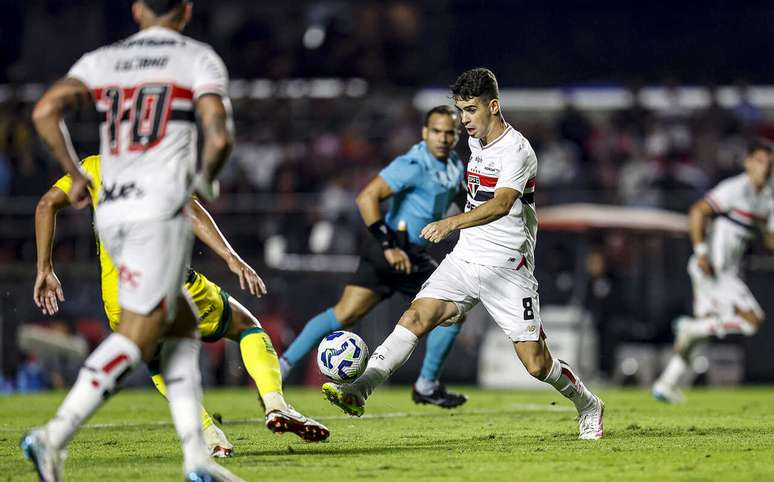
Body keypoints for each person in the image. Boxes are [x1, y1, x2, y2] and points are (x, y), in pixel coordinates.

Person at [322, 68, 605, 440]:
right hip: (465, 258)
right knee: (416, 316)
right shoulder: (475, 143)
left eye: (471, 110)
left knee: (535, 364)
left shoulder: (517, 151)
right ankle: (360, 389)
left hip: (508, 268)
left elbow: (503, 204)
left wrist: (450, 223)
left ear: (494, 105)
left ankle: (588, 404)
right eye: (460, 111)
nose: (464, 120)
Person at [21, 1, 242, 480]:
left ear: (138, 10)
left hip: (115, 211)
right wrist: (206, 179)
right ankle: (53, 436)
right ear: (185, 11)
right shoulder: (196, 58)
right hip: (159, 208)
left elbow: (44, 111)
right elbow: (220, 138)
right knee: (140, 336)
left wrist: (76, 172)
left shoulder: (104, 60)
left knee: (179, 324)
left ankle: (197, 460)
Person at [33, 155, 331, 456]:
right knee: (246, 325)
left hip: (119, 297)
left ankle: (209, 434)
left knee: (158, 362)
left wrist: (45, 268)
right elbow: (191, 210)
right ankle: (275, 404)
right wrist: (230, 257)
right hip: (168, 282)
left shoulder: (94, 166)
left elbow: (46, 205)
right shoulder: (157, 160)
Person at [279, 106, 468, 408]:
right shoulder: (412, 163)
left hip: (414, 256)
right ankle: (281, 369)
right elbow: (366, 197)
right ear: (424, 133)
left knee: (347, 314)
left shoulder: (455, 165)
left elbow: (461, 199)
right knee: (448, 310)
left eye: (449, 132)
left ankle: (427, 384)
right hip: (388, 249)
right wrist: (388, 246)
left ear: (457, 135)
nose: (443, 138)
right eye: (437, 131)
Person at [653, 142, 773, 403]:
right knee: (753, 321)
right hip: (713, 268)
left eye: (770, 163)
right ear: (749, 162)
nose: (766, 167)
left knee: (703, 335)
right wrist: (701, 251)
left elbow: (770, 241)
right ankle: (690, 327)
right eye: (761, 161)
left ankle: (666, 383)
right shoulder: (735, 188)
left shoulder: (766, 200)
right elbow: (698, 211)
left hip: (725, 271)